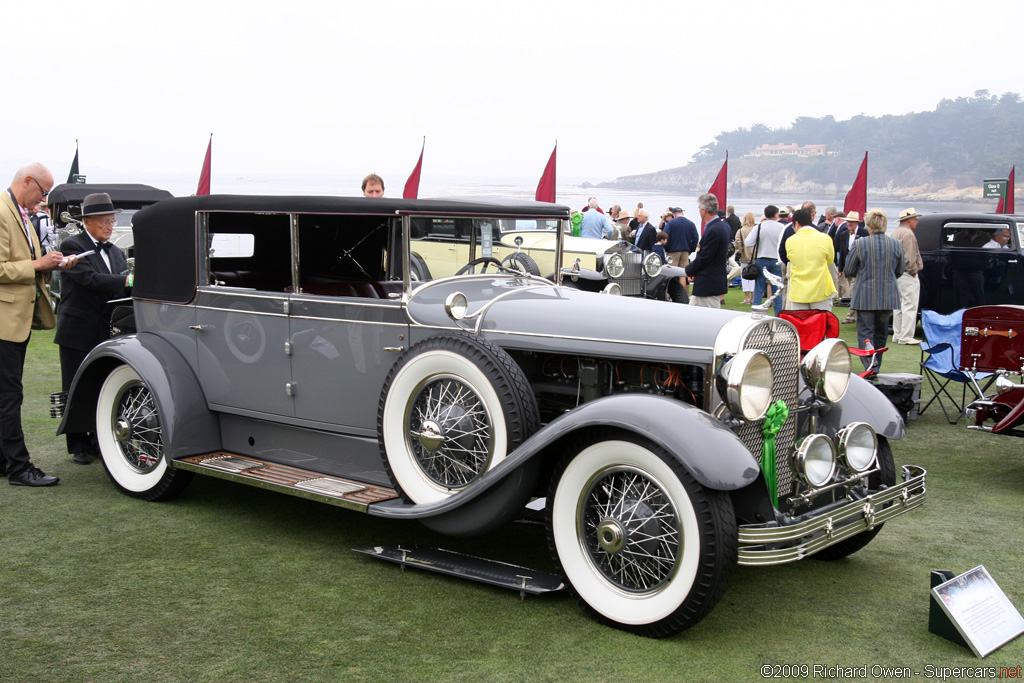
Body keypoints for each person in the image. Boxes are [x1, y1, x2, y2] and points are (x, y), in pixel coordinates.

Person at [1, 163, 71, 487]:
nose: (42, 202)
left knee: (7, 394)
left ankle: (5, 461)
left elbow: (29, 260)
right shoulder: (3, 211)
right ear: (27, 181)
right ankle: (19, 467)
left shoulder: (22, 214)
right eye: (42, 193)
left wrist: (51, 263)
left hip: (17, 321)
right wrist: (38, 264)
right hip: (5, 322)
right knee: (9, 395)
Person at [55, 193, 133, 465]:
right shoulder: (71, 245)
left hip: (107, 328)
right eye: (104, 221)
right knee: (74, 384)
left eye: (112, 221)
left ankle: (99, 439)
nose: (110, 226)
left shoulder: (114, 251)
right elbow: (90, 279)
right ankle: (77, 443)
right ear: (87, 222)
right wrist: (126, 281)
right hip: (78, 328)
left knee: (102, 384)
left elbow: (122, 282)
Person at [844, 209, 905, 373]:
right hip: (887, 294)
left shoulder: (860, 243)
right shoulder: (896, 244)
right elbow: (900, 270)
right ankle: (876, 362)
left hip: (865, 295)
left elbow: (849, 269)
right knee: (881, 332)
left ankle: (870, 366)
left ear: (869, 225)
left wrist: (862, 274)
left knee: (865, 332)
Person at [681, 193, 730, 308]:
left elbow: (706, 257)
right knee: (691, 313)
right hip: (706, 281)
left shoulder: (714, 229)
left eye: (699, 208)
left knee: (710, 317)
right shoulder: (721, 226)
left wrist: (689, 269)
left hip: (709, 282)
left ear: (704, 210)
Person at [783, 208, 837, 310]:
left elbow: (790, 259)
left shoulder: (790, 241)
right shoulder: (825, 238)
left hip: (798, 292)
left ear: (797, 223)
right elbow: (830, 260)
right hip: (821, 290)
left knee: (799, 325)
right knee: (821, 324)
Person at [745, 204, 786, 315]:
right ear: (776, 214)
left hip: (761, 258)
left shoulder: (759, 227)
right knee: (777, 289)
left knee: (759, 287)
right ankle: (778, 313)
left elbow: (748, 243)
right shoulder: (781, 227)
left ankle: (756, 313)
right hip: (776, 259)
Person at [890, 208, 924, 344]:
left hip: (896, 274)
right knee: (909, 305)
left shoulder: (895, 232)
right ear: (909, 220)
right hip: (907, 274)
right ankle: (906, 336)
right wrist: (913, 270)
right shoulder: (908, 234)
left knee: (898, 306)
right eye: (915, 219)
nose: (916, 221)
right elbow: (909, 257)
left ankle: (897, 334)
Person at [835, 211, 867, 323]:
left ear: (857, 223)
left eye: (852, 222)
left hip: (860, 267)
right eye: (848, 221)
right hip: (848, 268)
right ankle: (858, 315)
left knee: (853, 291)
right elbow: (842, 252)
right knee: (853, 291)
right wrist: (840, 269)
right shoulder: (844, 234)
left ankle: (851, 316)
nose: (849, 224)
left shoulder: (864, 233)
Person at [663, 207, 699, 292]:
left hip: (673, 251)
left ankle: (671, 294)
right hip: (685, 251)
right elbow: (695, 238)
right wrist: (691, 250)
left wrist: (666, 248)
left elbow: (665, 236)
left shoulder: (671, 223)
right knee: (683, 273)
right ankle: (684, 294)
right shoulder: (690, 223)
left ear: (674, 215)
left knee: (671, 273)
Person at [734, 211, 757, 304]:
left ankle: (747, 297)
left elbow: (738, 243)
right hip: (755, 257)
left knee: (745, 277)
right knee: (755, 276)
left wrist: (740, 252)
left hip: (744, 256)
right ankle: (753, 297)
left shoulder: (740, 231)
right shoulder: (756, 229)